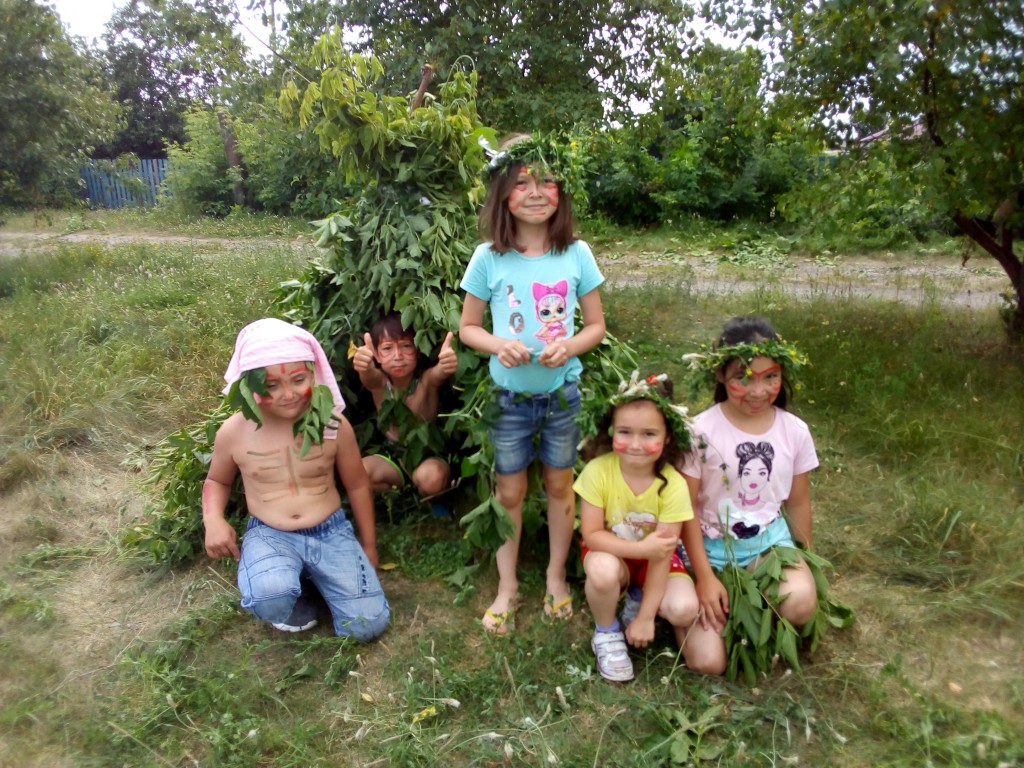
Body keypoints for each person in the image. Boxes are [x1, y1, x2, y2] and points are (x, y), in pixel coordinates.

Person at [459, 133, 606, 634]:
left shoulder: (577, 253)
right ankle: (507, 586)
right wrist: (498, 344)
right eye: (522, 183)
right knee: (510, 492)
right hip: (508, 399)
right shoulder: (488, 257)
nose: (537, 192)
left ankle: (555, 577)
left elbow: (595, 326)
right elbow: (468, 328)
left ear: (562, 191)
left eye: (547, 180)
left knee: (561, 485)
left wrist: (573, 345)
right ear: (503, 194)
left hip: (562, 395)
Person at [202, 318, 389, 642]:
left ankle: (317, 578)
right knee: (270, 597)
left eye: (299, 380)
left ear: (314, 374)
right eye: (271, 385)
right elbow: (217, 481)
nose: (288, 394)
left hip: (330, 531)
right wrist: (213, 520)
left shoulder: (332, 425)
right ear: (250, 384)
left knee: (367, 626)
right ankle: (290, 590)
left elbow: (358, 484)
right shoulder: (234, 431)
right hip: (270, 533)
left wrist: (369, 547)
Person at [678, 316, 818, 674]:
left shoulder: (794, 431)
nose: (758, 391)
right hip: (708, 550)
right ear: (720, 374)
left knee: (801, 602)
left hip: (767, 546)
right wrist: (705, 578)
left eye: (770, 377)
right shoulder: (700, 432)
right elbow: (685, 508)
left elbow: (798, 501)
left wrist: (806, 559)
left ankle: (753, 611)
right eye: (744, 377)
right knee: (709, 662)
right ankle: (689, 610)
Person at [574, 372, 702, 682]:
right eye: (625, 432)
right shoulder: (597, 471)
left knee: (685, 608)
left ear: (667, 436)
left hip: (657, 561)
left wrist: (646, 618)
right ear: (611, 431)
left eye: (648, 434)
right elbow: (592, 535)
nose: (635, 444)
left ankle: (639, 599)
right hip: (612, 553)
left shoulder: (673, 484)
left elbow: (662, 554)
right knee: (601, 571)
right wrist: (640, 549)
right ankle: (606, 631)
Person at [351, 312, 457, 498]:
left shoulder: (425, 381)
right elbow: (370, 377)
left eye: (406, 346)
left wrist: (446, 364)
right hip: (393, 457)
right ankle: (402, 493)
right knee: (360, 473)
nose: (398, 356)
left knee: (432, 478)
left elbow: (438, 373)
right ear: (376, 355)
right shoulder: (381, 384)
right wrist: (365, 366)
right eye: (387, 348)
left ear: (417, 350)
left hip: (428, 454)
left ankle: (429, 493)